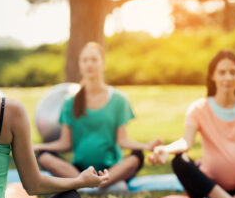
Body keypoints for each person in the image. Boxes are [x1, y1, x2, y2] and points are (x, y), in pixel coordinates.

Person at [149, 50, 235, 198]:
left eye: (233, 72)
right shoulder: (199, 108)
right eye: (222, 72)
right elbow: (186, 142)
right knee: (179, 161)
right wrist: (166, 149)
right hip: (208, 189)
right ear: (212, 76)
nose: (228, 77)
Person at [34, 42, 161, 188]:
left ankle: (95, 185)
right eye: (85, 60)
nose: (89, 64)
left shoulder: (119, 99)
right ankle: (87, 183)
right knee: (44, 156)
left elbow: (123, 140)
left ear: (103, 63)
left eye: (94, 60)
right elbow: (65, 143)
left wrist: (146, 146)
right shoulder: (70, 101)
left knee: (137, 156)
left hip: (111, 170)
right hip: (78, 171)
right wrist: (38, 147)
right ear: (80, 65)